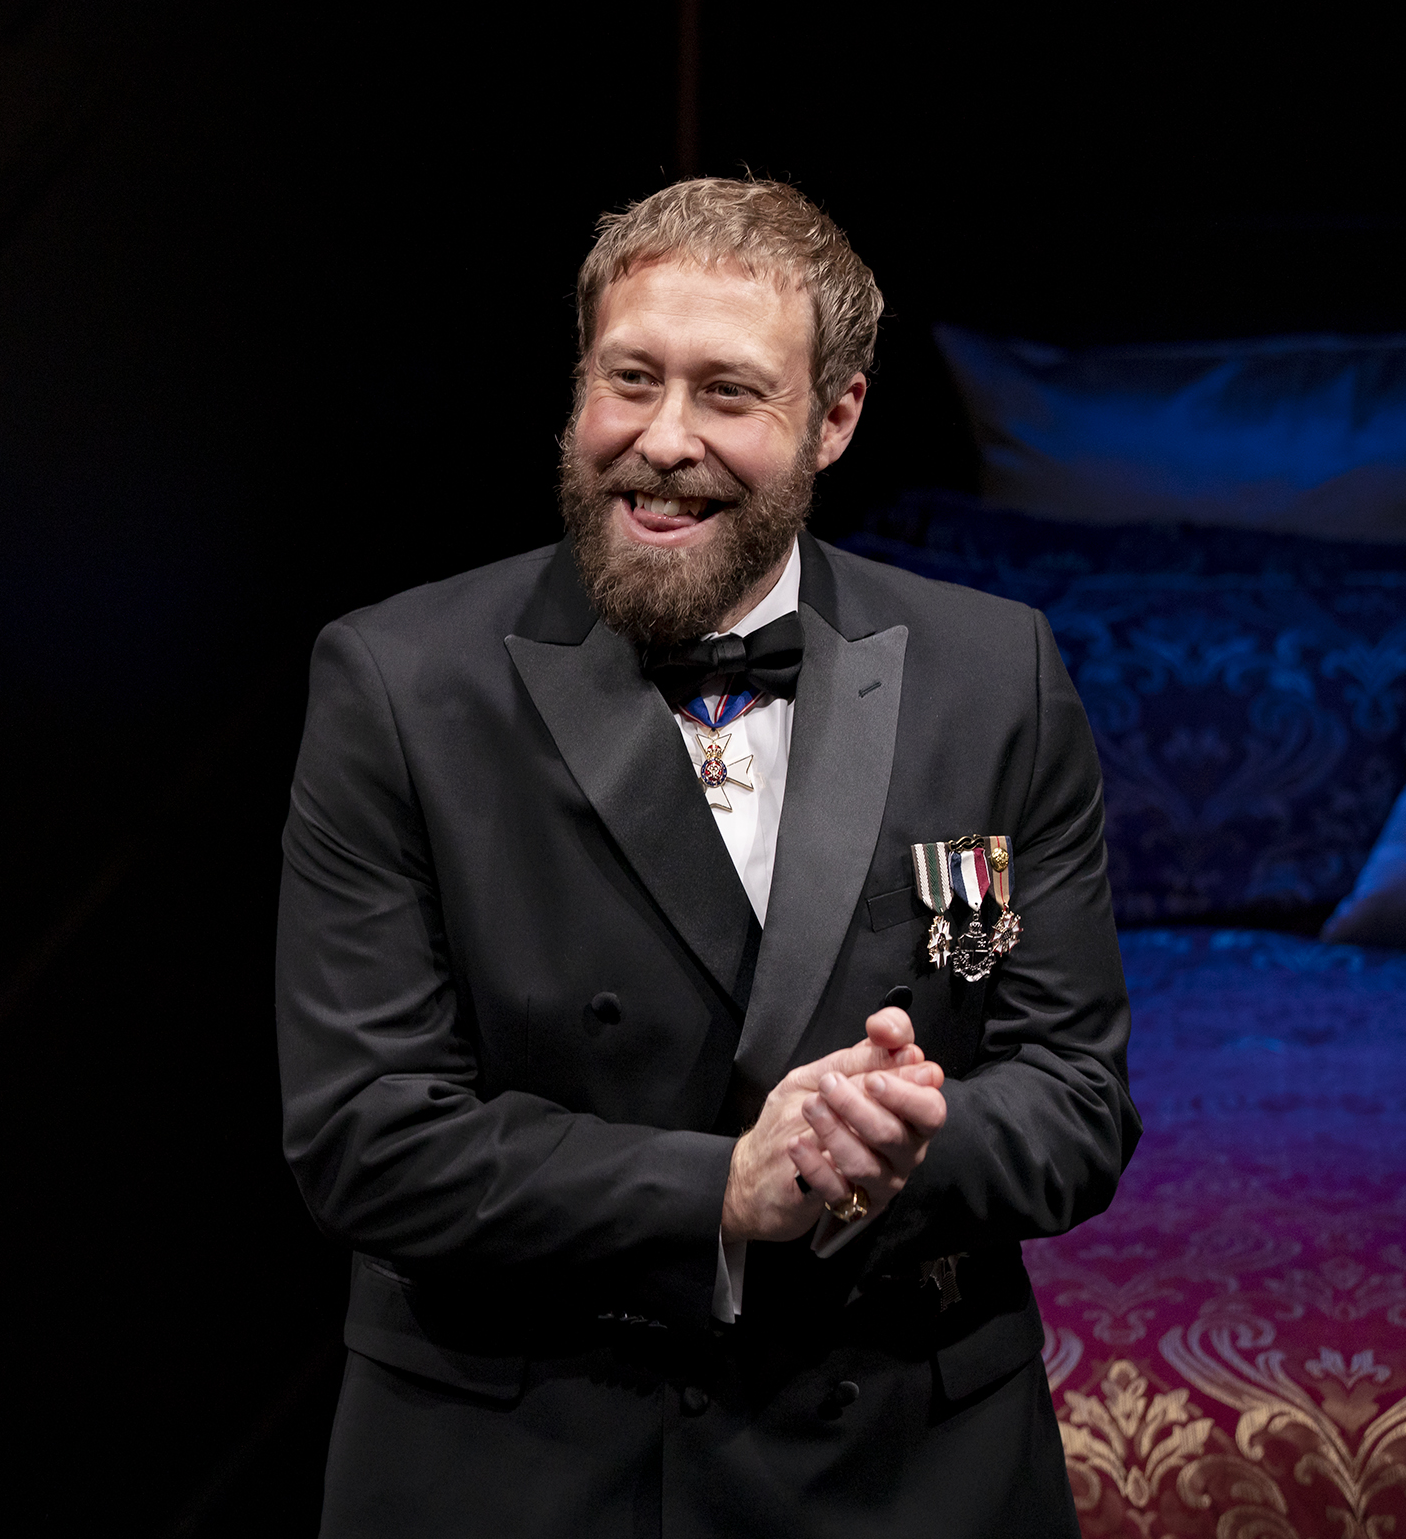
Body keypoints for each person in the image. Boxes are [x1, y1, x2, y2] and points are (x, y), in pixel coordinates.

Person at [274, 177, 1139, 1538]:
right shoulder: (394, 681)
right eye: (631, 379)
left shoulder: (996, 673)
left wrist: (901, 1146)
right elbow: (365, 1141)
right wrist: (723, 1191)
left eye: (728, 393)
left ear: (835, 417)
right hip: (527, 1462)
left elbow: (1078, 1102)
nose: (661, 440)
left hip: (905, 1461)